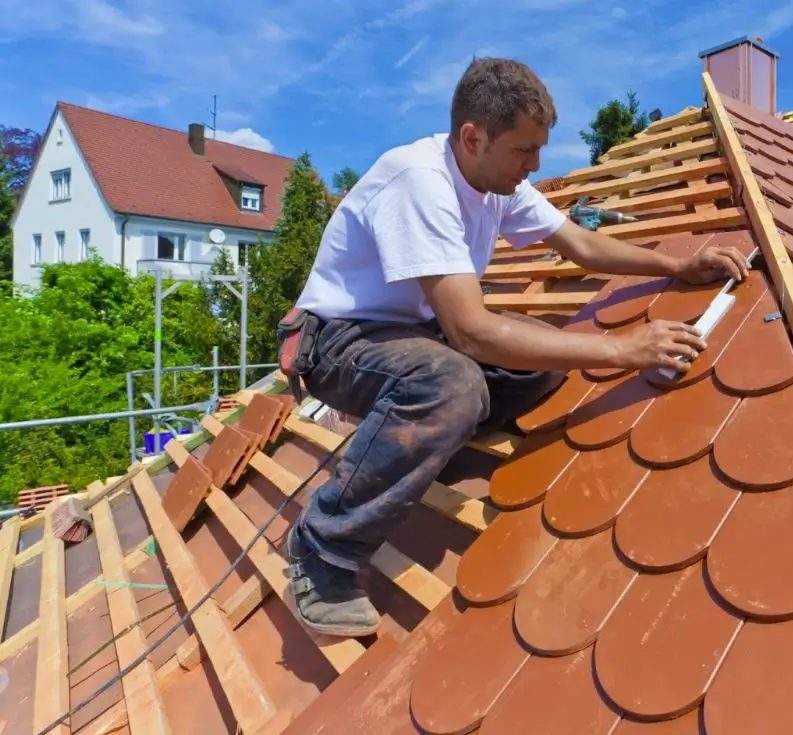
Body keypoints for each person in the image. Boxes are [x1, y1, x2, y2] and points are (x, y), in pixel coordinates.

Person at [278, 56, 749, 638]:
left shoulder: (497, 181)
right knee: (453, 383)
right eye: (525, 150)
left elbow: (579, 243)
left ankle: (435, 434)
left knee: (543, 358)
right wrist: (625, 348)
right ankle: (322, 548)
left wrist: (678, 265)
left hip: (410, 332)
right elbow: (470, 333)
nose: (537, 165)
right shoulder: (419, 182)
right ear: (473, 138)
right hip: (340, 338)